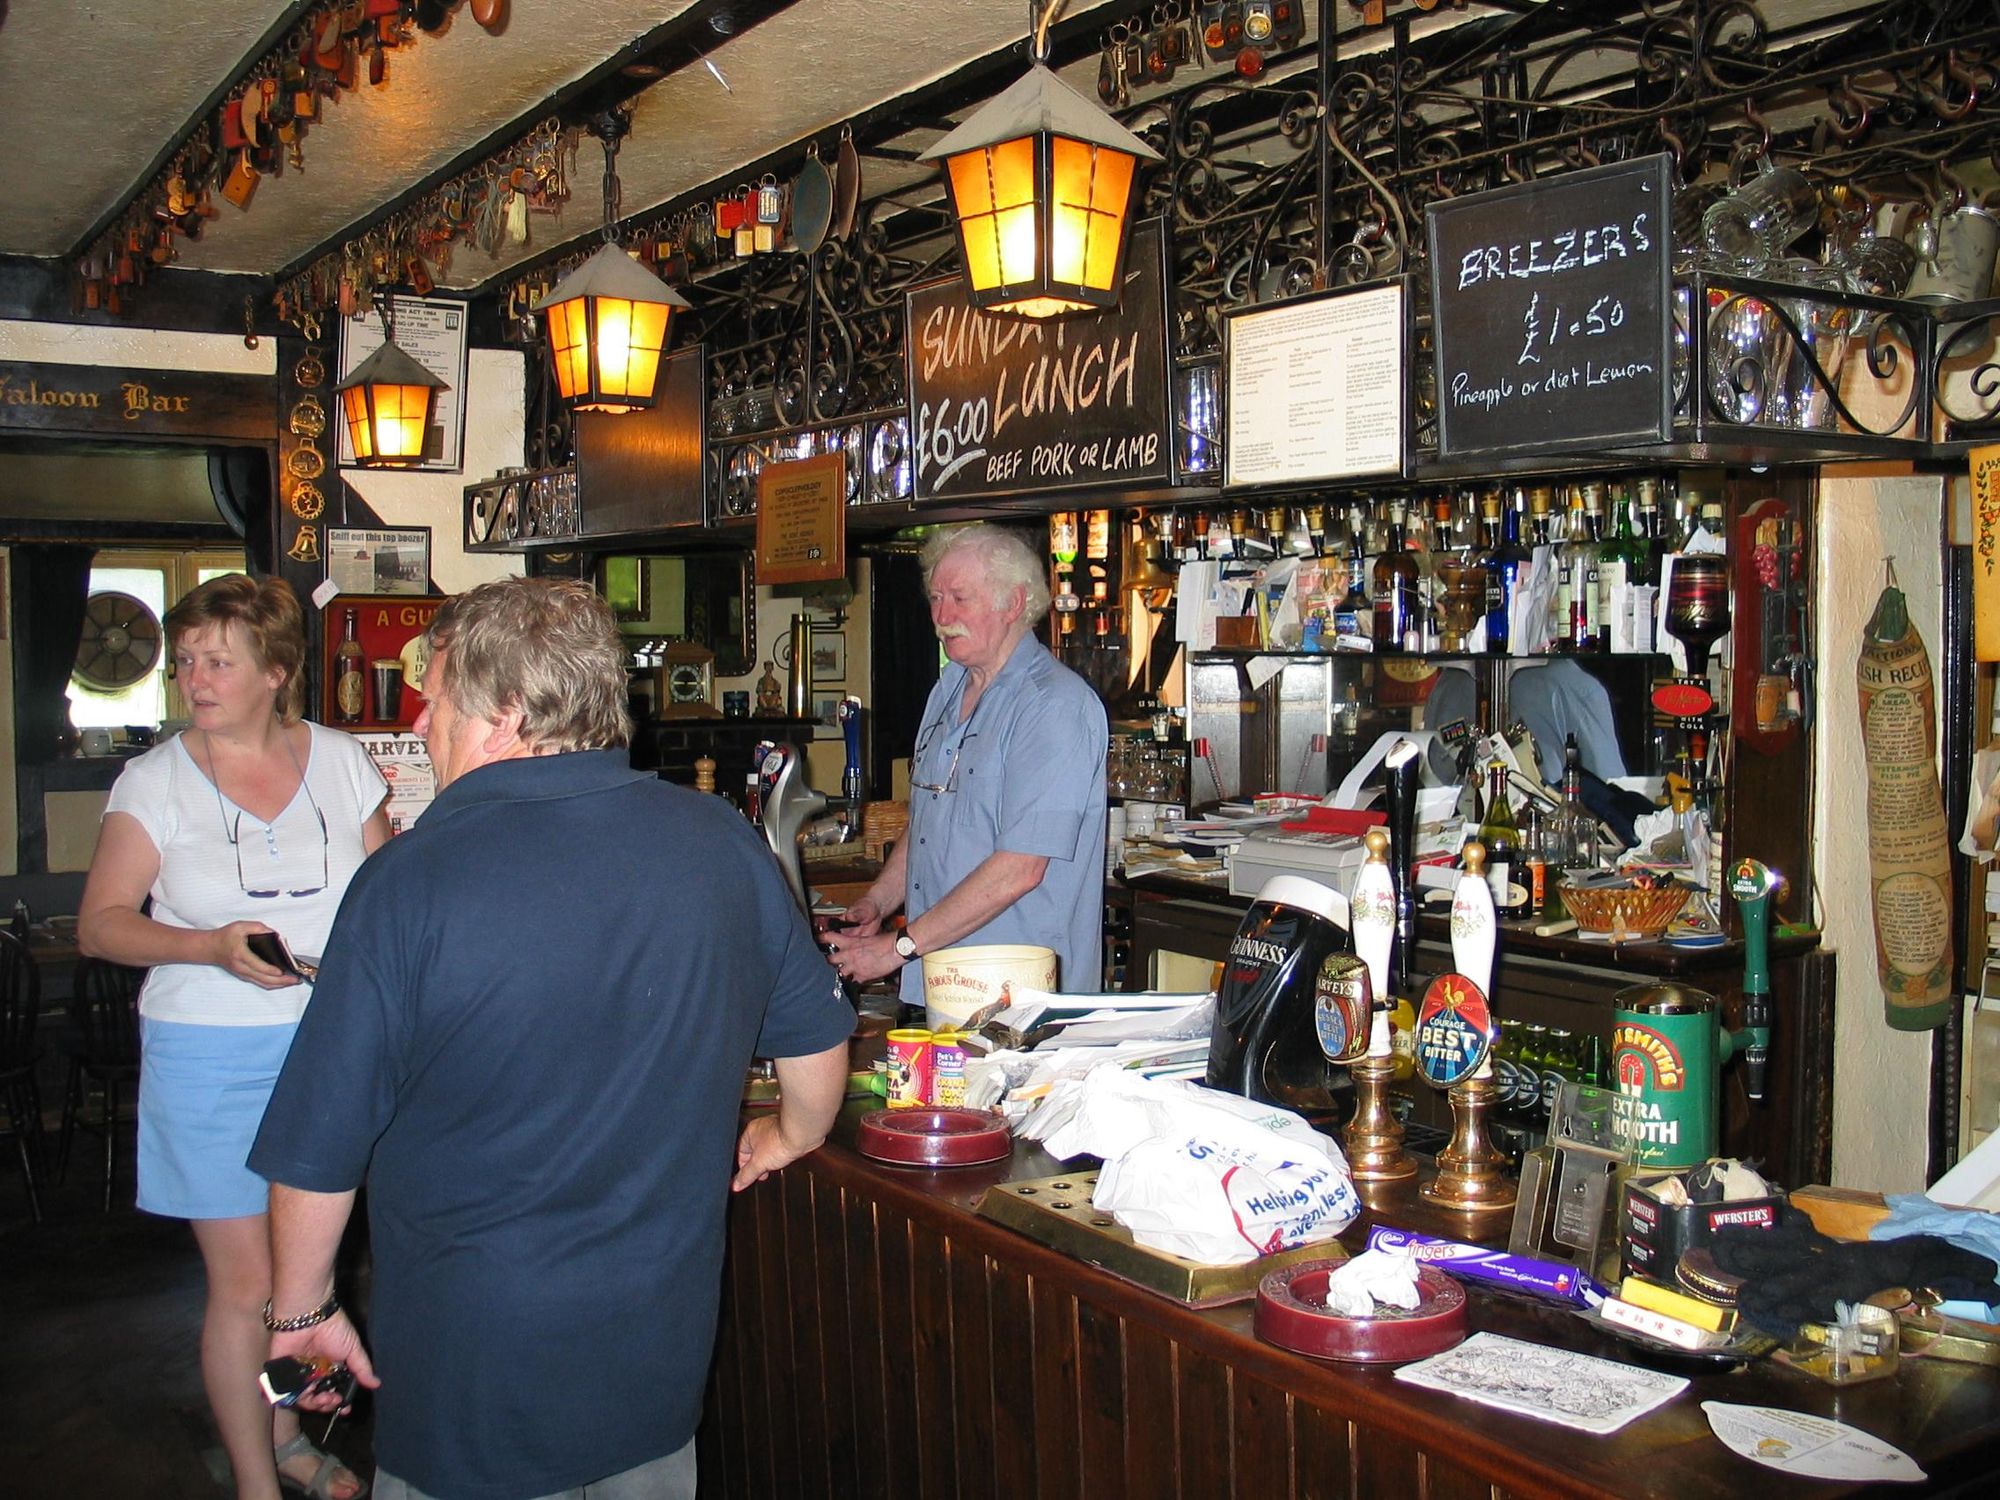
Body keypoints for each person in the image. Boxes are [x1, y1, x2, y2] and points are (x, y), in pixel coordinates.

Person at [248, 577, 852, 1500]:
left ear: (505, 714)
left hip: (471, 1380)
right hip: (653, 1359)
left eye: (436, 698)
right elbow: (816, 1060)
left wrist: (302, 1311)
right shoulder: (722, 844)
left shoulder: (409, 884)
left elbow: (320, 1149)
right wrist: (790, 1135)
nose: (419, 724)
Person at [78, 574, 389, 1500]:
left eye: (218, 660)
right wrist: (207, 946)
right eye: (186, 663)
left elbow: (385, 895)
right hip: (209, 1051)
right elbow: (101, 923)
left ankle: (295, 1434)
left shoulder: (340, 761)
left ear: (277, 671)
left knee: (314, 1267)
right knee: (249, 1283)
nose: (193, 679)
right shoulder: (155, 779)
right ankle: (256, 1478)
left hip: (329, 1048)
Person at [830, 524, 1108, 997]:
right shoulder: (948, 688)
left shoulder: (1054, 704)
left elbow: (1021, 867)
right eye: (936, 598)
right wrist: (877, 902)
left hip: (1018, 1003)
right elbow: (927, 824)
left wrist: (896, 948)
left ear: (1013, 604)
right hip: (943, 984)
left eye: (960, 598)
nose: (942, 616)